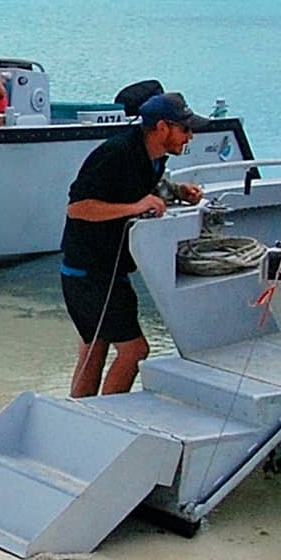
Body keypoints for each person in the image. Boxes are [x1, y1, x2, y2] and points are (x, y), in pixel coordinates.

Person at [60, 93, 206, 397]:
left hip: (104, 269)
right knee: (135, 350)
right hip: (88, 273)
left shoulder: (152, 157)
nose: (190, 136)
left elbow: (145, 185)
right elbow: (78, 208)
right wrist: (135, 207)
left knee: (94, 349)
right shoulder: (116, 154)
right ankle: (108, 416)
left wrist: (178, 191)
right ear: (162, 127)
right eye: (185, 129)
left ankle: (80, 415)